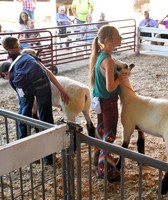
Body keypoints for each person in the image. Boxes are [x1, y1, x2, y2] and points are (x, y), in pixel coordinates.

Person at [1, 36, 70, 165]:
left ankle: (29, 154)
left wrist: (62, 90)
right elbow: (46, 72)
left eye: (19, 45)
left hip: (28, 87)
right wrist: (61, 89)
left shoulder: (15, 65)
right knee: (44, 118)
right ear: (8, 49)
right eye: (17, 47)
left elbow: (45, 72)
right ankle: (45, 157)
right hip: (40, 85)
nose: (19, 48)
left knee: (24, 115)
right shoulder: (26, 57)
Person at [89, 25, 127, 181]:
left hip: (100, 101)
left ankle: (98, 159)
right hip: (109, 103)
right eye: (117, 35)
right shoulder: (109, 61)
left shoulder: (100, 57)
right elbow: (110, 86)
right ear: (108, 40)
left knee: (101, 131)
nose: (120, 38)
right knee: (109, 136)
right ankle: (105, 171)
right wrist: (121, 78)